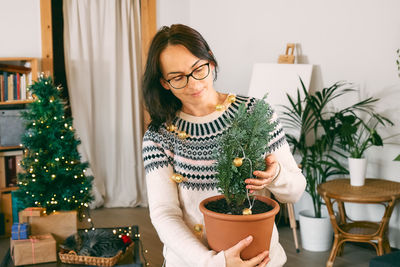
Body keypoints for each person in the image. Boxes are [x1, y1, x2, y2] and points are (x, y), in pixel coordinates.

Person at [142, 24, 306, 267]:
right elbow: (164, 214)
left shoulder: (254, 114)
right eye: (177, 77)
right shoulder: (159, 136)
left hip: (260, 259)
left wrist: (275, 176)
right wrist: (214, 262)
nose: (193, 83)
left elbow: (295, 191)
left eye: (198, 69)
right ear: (164, 83)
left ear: (211, 61)